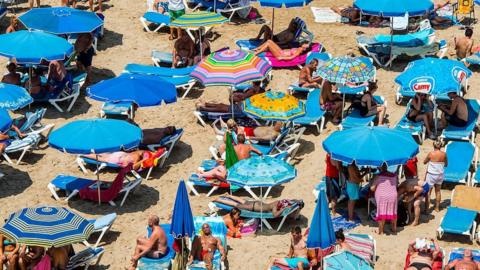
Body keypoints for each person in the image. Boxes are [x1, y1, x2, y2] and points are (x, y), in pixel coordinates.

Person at [214, 195, 304, 219]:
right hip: (254, 208)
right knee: (236, 205)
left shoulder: (278, 202)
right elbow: (275, 215)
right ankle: (219, 200)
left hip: (257, 204)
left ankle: (229, 196)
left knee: (243, 201)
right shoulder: (275, 206)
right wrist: (283, 210)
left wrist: (297, 202)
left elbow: (293, 200)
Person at [370, 164, 398, 235]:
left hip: (382, 196)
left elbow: (372, 188)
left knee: (381, 213)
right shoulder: (394, 175)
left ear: (379, 167)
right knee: (393, 212)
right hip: (393, 195)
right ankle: (394, 229)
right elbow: (396, 185)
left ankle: (381, 231)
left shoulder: (378, 176)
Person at [83, 148, 165, 171]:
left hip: (120, 154)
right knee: (100, 158)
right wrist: (143, 160)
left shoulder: (140, 152)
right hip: (117, 158)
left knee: (100, 153)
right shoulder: (138, 156)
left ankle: (83, 152)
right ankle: (83, 154)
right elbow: (133, 167)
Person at [424, 141, 447, 213]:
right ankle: (437, 208)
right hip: (440, 174)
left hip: (431, 174)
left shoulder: (431, 154)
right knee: (438, 191)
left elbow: (424, 162)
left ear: (433, 146)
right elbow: (446, 164)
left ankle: (427, 210)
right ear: (441, 146)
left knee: (428, 192)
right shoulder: (444, 154)